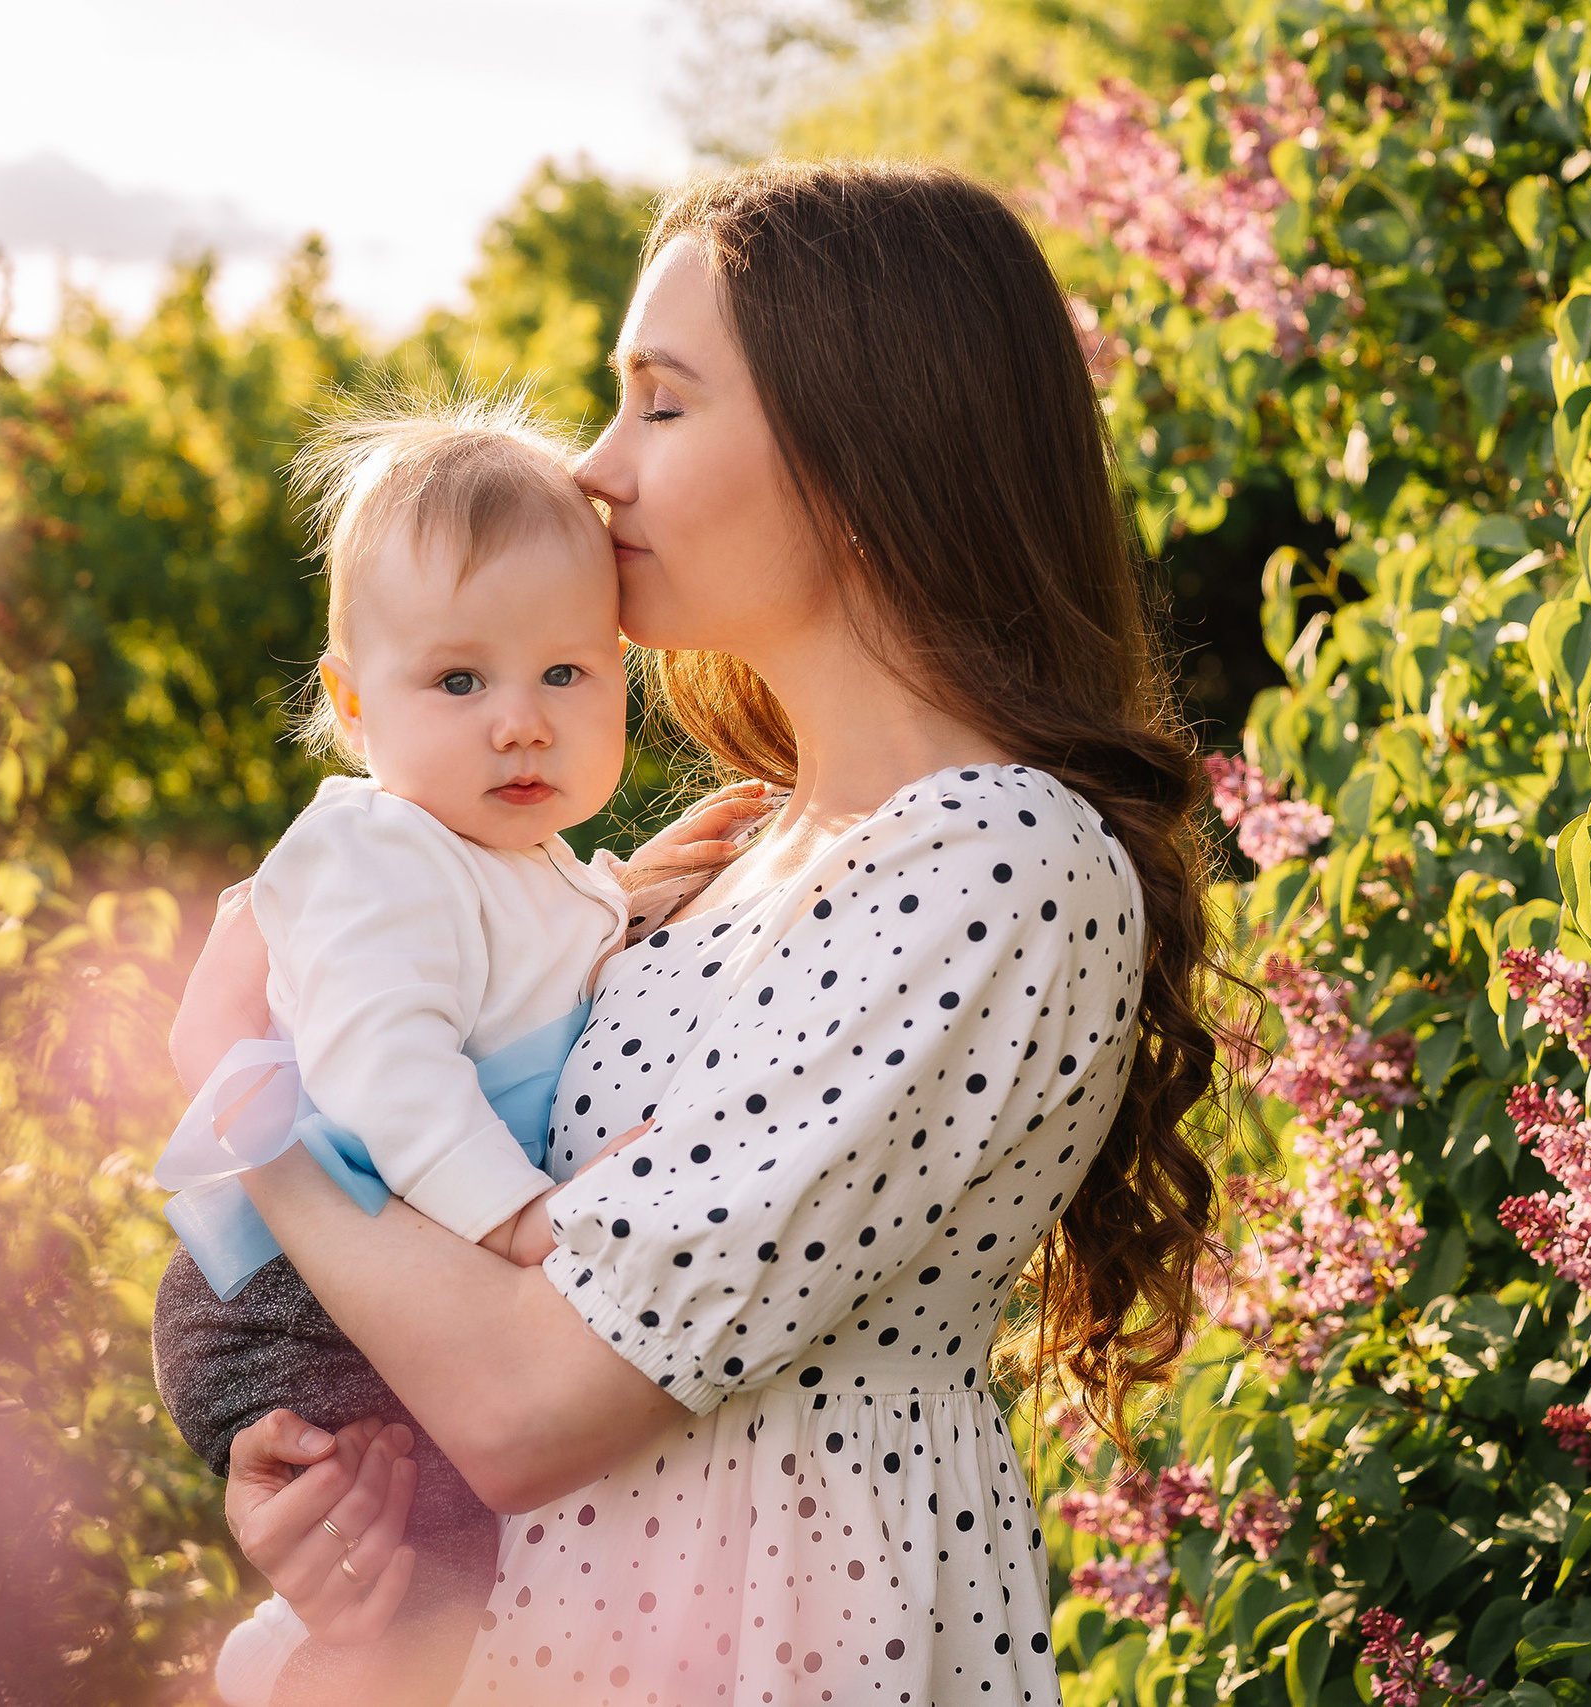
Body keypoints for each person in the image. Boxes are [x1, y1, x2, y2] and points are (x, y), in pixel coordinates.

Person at [164, 158, 1234, 1707]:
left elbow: (532, 1397)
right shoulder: (738, 857)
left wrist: (241, 1098)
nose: (596, 472)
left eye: (659, 405)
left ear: (865, 453)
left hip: (777, 1643)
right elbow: (476, 1321)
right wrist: (348, 1491)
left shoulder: (996, 862)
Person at [146, 399, 767, 1705]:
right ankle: (295, 1673)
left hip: (346, 1267)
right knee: (426, 1576)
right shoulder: (369, 856)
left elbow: (521, 968)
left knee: (452, 1571)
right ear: (352, 703)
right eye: (460, 681)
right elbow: (389, 1071)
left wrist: (622, 897)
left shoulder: (501, 861)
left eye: (566, 673)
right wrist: (525, 1222)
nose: (522, 722)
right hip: (285, 1302)